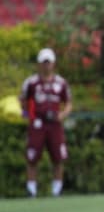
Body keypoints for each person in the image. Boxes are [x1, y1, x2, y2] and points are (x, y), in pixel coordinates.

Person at [19, 48, 72, 197]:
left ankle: (57, 189)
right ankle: (31, 189)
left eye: (49, 63)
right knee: (32, 156)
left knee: (58, 157)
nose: (46, 66)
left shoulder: (61, 83)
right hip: (37, 123)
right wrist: (27, 113)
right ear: (39, 64)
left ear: (53, 64)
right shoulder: (31, 83)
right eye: (44, 63)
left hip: (55, 123)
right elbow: (23, 100)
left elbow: (68, 102)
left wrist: (63, 114)